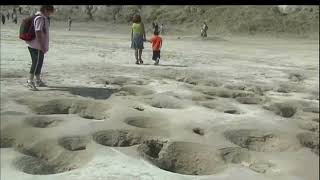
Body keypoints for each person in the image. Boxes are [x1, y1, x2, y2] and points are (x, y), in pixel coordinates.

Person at [25, 5, 55, 91]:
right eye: (50, 11)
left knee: (39, 62)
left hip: (38, 45)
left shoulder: (43, 18)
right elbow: (38, 31)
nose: (51, 13)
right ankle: (30, 81)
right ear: (45, 10)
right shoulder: (40, 18)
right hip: (36, 45)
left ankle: (38, 80)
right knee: (36, 63)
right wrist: (41, 45)